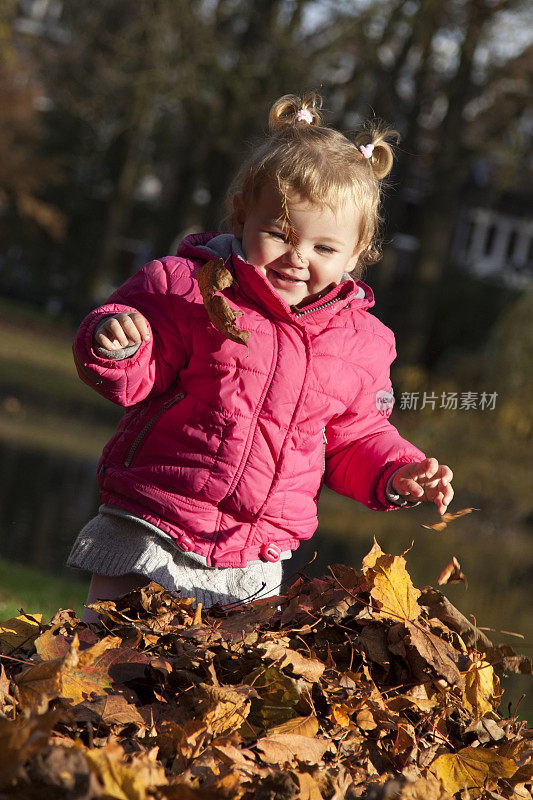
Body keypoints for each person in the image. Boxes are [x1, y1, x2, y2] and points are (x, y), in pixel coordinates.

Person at [68, 93, 453, 624]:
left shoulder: (362, 344)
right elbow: (141, 372)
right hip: (153, 517)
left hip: (254, 552)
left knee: (209, 692)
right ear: (244, 214)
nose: (298, 259)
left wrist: (395, 471)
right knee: (103, 659)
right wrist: (119, 343)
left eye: (324, 249)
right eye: (279, 234)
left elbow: (355, 437)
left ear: (357, 253)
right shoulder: (190, 288)